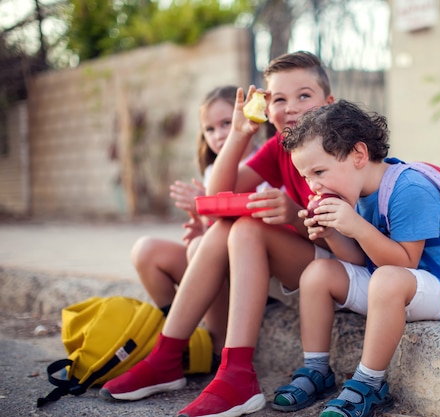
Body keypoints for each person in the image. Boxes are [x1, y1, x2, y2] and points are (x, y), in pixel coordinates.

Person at [99, 51, 336, 417]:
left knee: (246, 225)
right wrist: (239, 135)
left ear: (328, 103)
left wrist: (291, 216)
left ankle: (234, 372)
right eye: (279, 99)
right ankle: (169, 355)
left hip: (335, 269)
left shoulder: (337, 148)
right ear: (266, 107)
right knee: (229, 222)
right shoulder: (279, 148)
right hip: (300, 263)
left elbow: (344, 240)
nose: (291, 108)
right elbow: (216, 197)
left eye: (304, 96)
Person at [275, 99, 440, 417]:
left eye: (320, 171)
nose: (313, 186)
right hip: (386, 283)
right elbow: (359, 259)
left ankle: (370, 383)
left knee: (387, 278)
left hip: (437, 286)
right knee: (317, 272)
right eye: (306, 177)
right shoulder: (355, 191)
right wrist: (331, 233)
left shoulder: (409, 187)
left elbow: (404, 262)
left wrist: (357, 226)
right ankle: (317, 370)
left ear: (359, 155)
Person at [130, 86, 258, 365]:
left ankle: (217, 345)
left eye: (226, 123)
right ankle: (181, 339)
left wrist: (206, 211)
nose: (219, 134)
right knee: (146, 250)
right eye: (209, 129)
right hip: (218, 261)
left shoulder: (261, 163)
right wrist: (201, 222)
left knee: (199, 247)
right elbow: (212, 231)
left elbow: (247, 225)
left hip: (252, 271)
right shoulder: (213, 171)